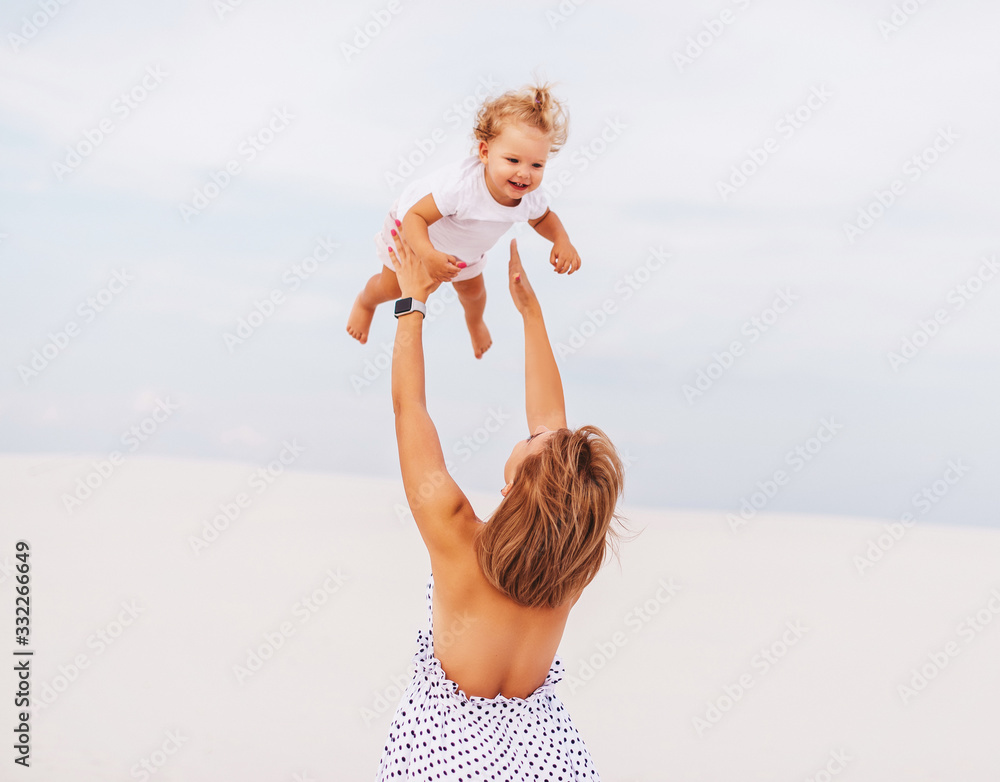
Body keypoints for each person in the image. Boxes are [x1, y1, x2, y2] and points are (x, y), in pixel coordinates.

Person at [375, 224, 626, 781]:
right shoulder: (572, 561)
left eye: (538, 438)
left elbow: (409, 409)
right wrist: (530, 314)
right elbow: (554, 440)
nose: (539, 429)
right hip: (547, 751)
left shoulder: (457, 535)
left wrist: (410, 303)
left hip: (443, 752)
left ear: (521, 483)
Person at [347, 82, 581, 359]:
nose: (524, 174)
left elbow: (543, 218)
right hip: (415, 233)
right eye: (513, 160)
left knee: (474, 292)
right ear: (485, 153)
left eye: (536, 165)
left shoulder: (529, 196)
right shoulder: (461, 188)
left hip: (464, 250)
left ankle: (475, 322)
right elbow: (415, 216)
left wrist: (562, 240)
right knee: (392, 287)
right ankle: (365, 302)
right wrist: (427, 254)